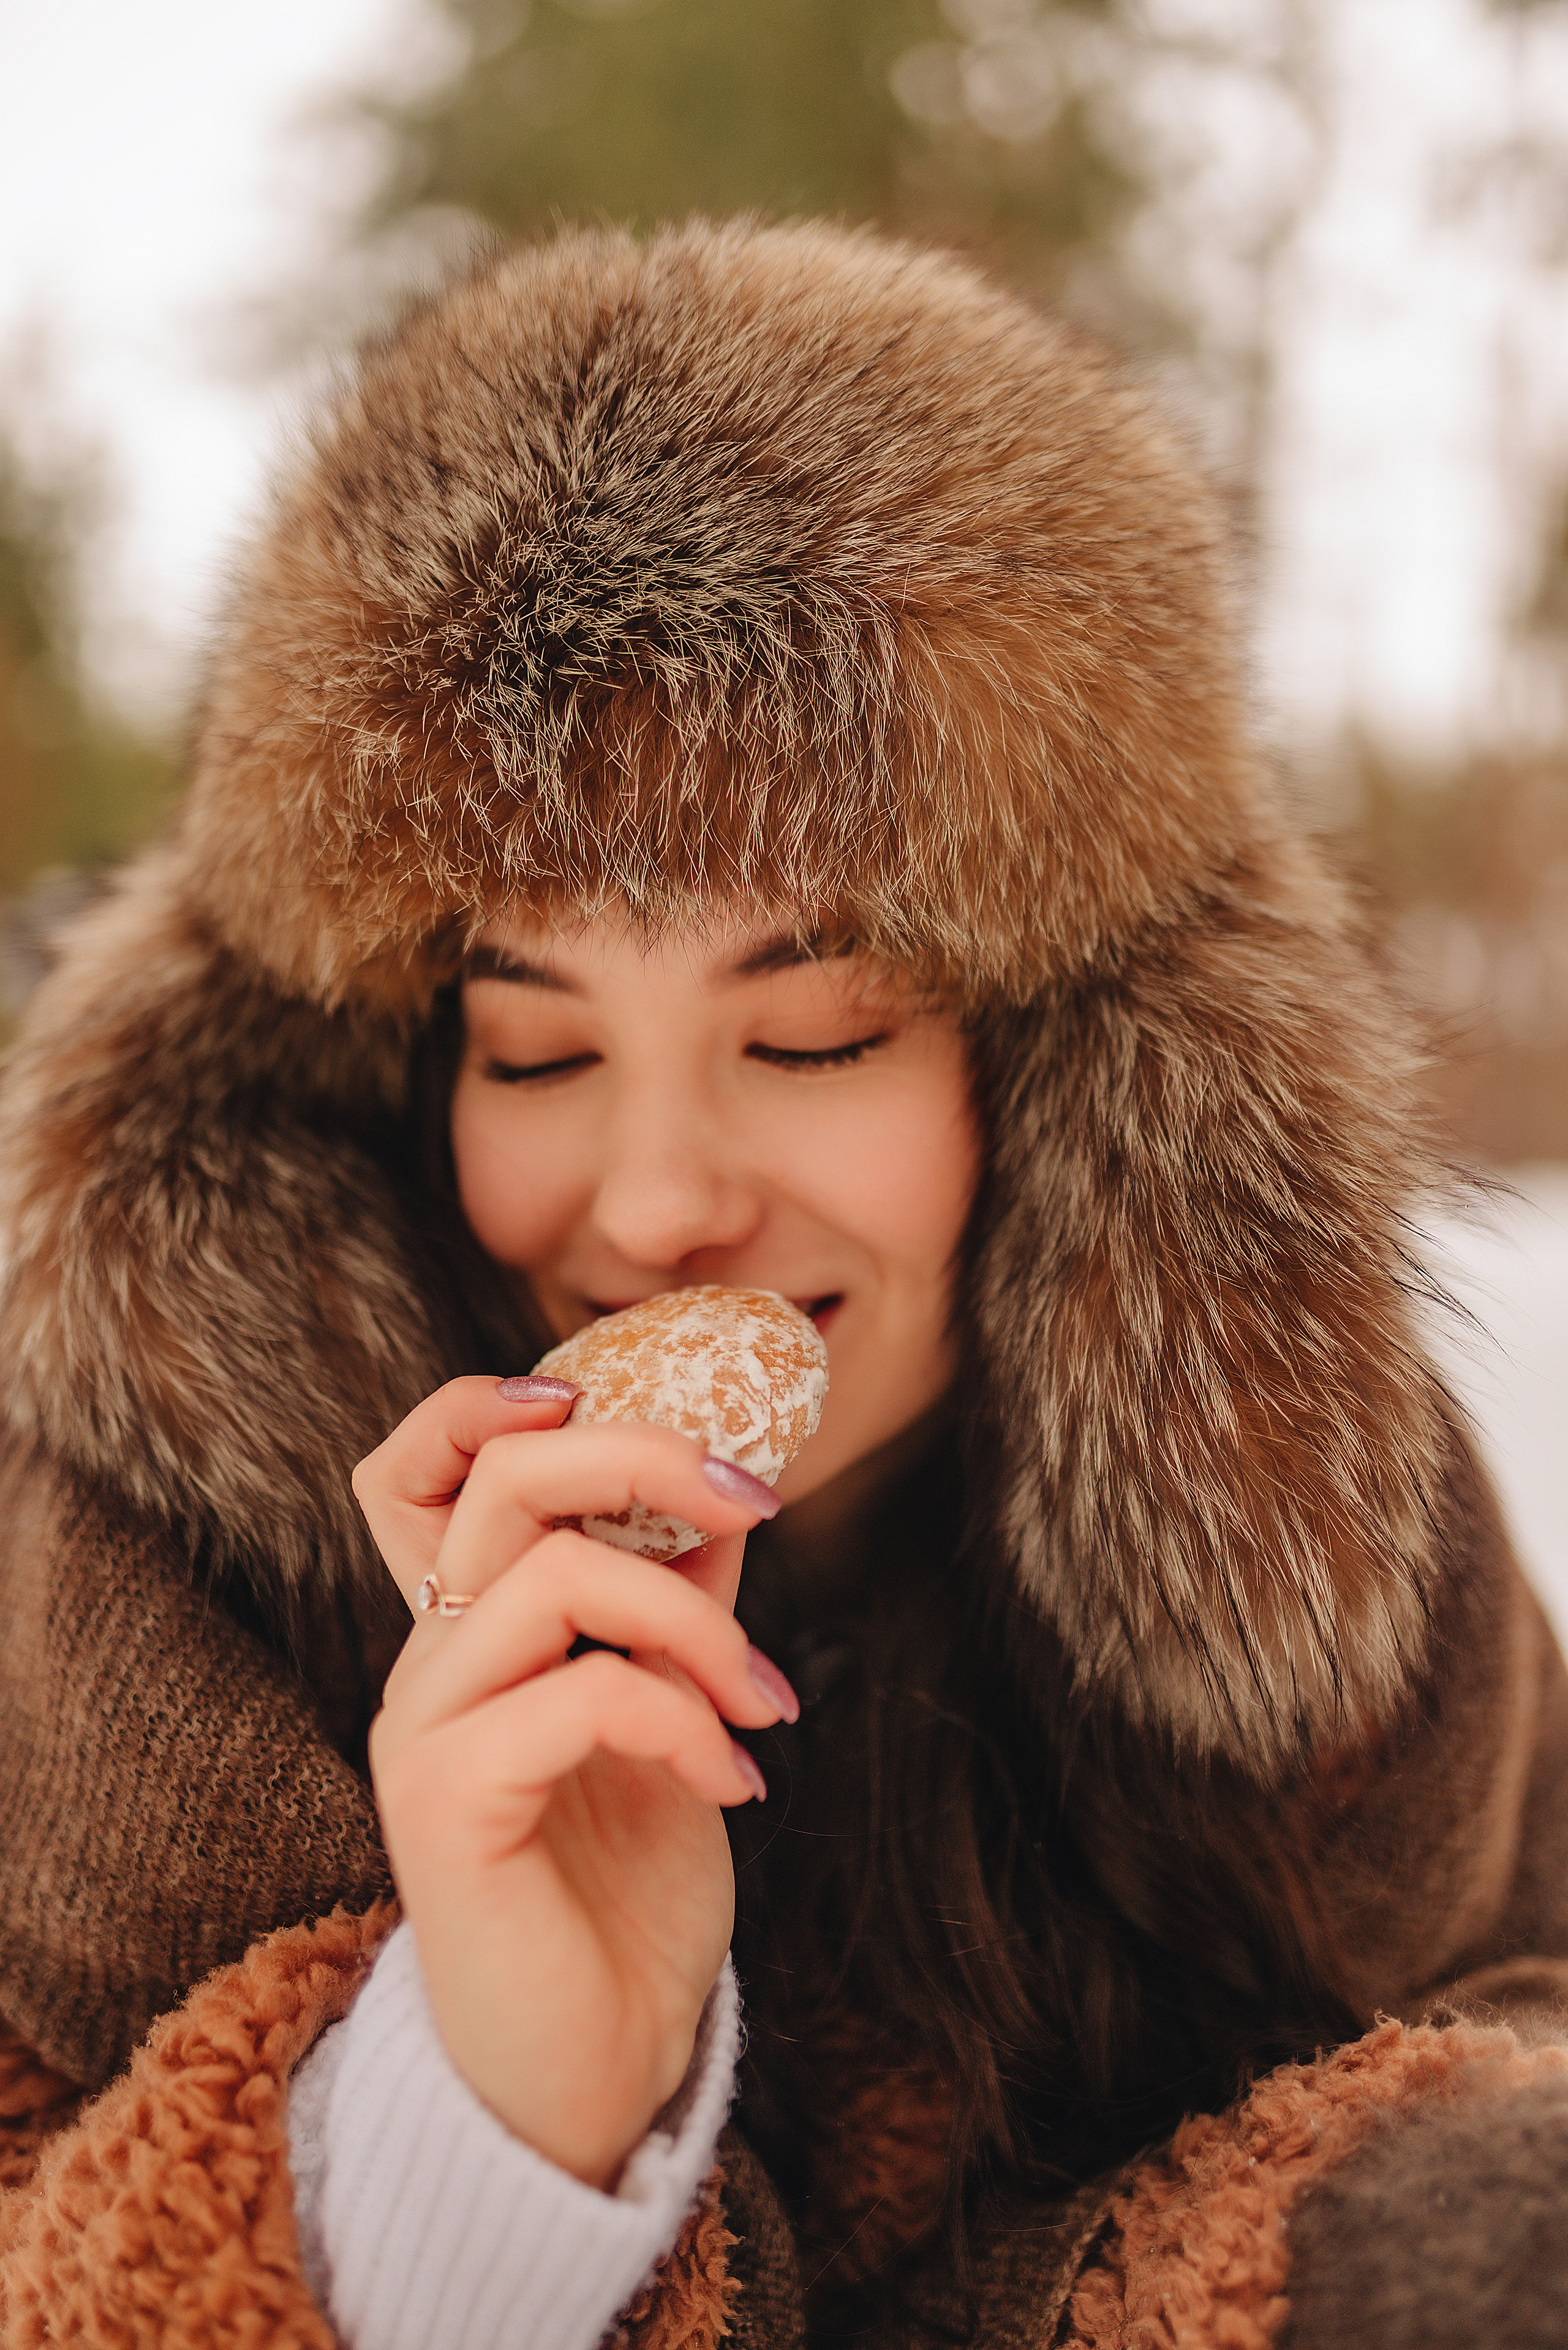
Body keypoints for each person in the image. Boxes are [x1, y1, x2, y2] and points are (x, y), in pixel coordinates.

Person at [2, 218, 1568, 2350]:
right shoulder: (112, 1611)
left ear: (1061, 1062)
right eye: (535, 1048)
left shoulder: (1349, 1583)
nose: (654, 1209)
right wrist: (482, 2130)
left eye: (816, 1029)